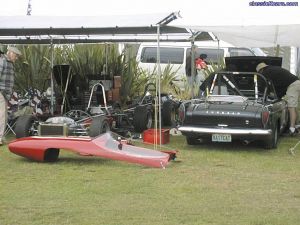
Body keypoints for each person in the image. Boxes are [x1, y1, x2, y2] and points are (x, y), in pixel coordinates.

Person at [256, 62, 300, 136]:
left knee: (291, 107)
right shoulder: (272, 69)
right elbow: (279, 85)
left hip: (293, 84)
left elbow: (264, 86)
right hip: (295, 83)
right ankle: (297, 125)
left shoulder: (266, 72)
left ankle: (292, 130)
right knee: (293, 106)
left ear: (261, 70)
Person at [0, 46, 22, 145]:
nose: (16, 58)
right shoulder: (3, 61)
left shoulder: (10, 63)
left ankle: (1, 137)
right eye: (16, 56)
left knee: (3, 116)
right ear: (11, 53)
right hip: (1, 92)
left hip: (5, 93)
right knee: (2, 116)